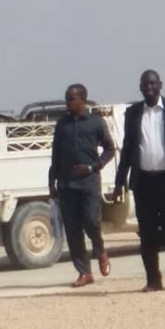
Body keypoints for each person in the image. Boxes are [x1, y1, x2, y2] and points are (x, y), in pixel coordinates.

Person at [114, 70, 165, 291]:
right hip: (143, 181)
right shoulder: (133, 113)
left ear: (160, 85)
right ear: (140, 88)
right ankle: (153, 279)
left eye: (153, 83)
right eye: (145, 84)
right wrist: (119, 181)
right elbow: (128, 149)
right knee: (147, 232)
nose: (149, 87)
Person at [49, 84, 115, 287]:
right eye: (67, 99)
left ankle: (100, 249)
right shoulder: (62, 125)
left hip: (88, 183)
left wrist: (92, 167)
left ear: (82, 100)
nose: (68, 103)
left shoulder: (95, 122)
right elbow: (56, 154)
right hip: (67, 184)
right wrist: (51, 182)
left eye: (71, 99)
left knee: (91, 222)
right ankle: (84, 272)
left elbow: (110, 149)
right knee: (73, 230)